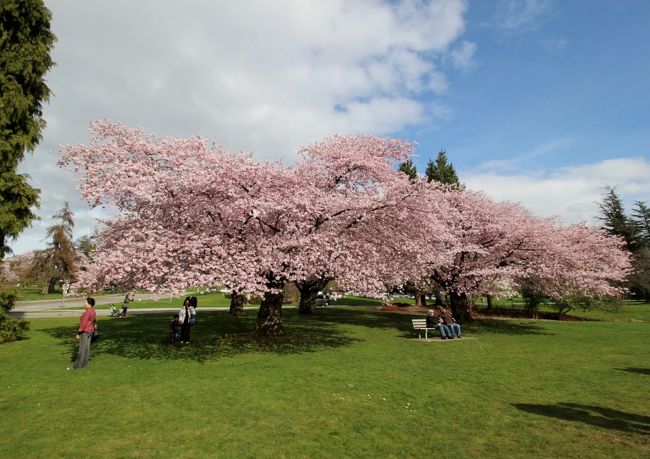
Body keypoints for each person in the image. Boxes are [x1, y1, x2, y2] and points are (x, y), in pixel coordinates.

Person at [69, 297, 97, 370]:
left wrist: (78, 333)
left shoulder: (88, 312)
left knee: (82, 349)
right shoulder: (93, 311)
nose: (84, 303)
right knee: (86, 348)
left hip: (85, 332)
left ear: (89, 303)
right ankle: (84, 365)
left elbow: (83, 323)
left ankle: (78, 366)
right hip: (90, 331)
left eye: (85, 302)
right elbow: (94, 321)